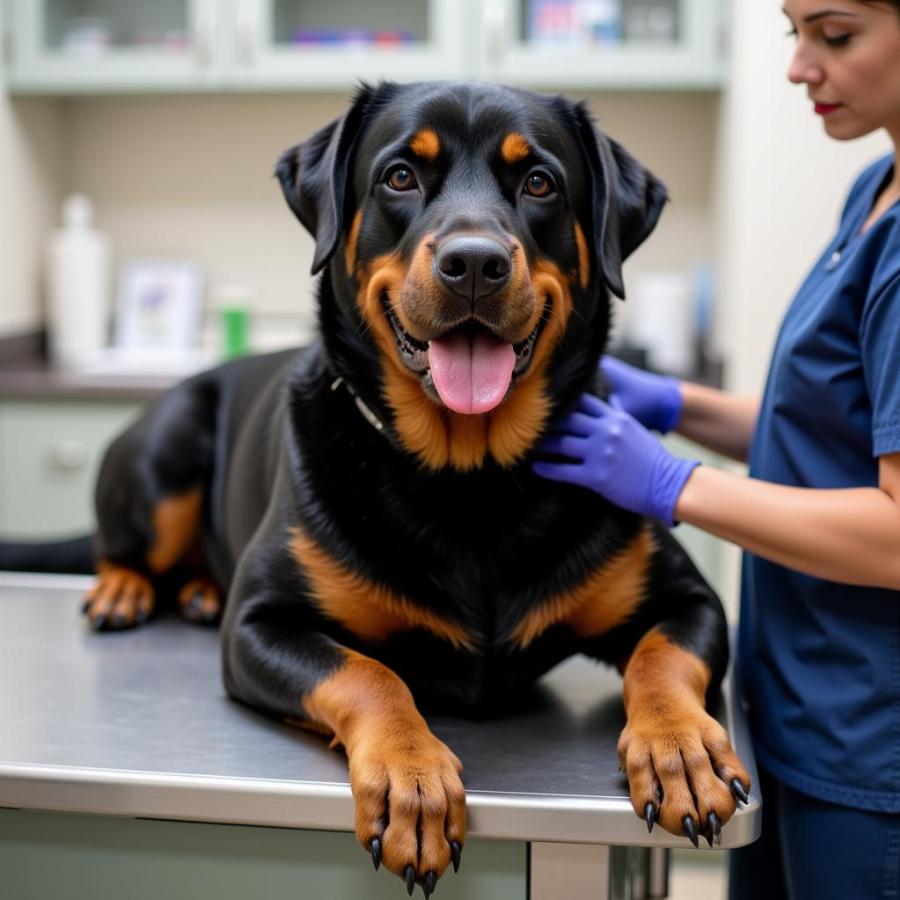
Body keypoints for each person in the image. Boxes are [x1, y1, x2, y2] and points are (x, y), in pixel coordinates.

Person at [533, 1, 900, 897]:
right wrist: (675, 403)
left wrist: (670, 482)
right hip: (792, 706)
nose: (799, 68)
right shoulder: (875, 191)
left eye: (836, 35)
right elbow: (822, 429)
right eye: (793, 34)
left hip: (870, 743)